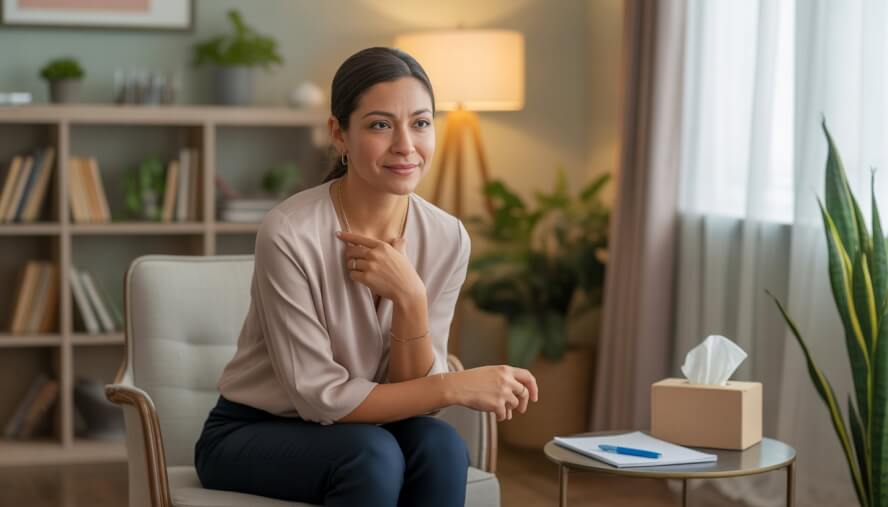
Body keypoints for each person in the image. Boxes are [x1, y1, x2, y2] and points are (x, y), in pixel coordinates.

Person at [194, 47, 539, 507]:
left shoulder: (447, 236)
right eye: (380, 125)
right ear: (339, 134)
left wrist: (411, 297)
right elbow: (320, 398)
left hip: (369, 431)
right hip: (252, 431)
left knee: (441, 446)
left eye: (420, 123)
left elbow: (416, 396)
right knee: (370, 455)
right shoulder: (289, 232)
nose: (405, 145)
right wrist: (455, 384)